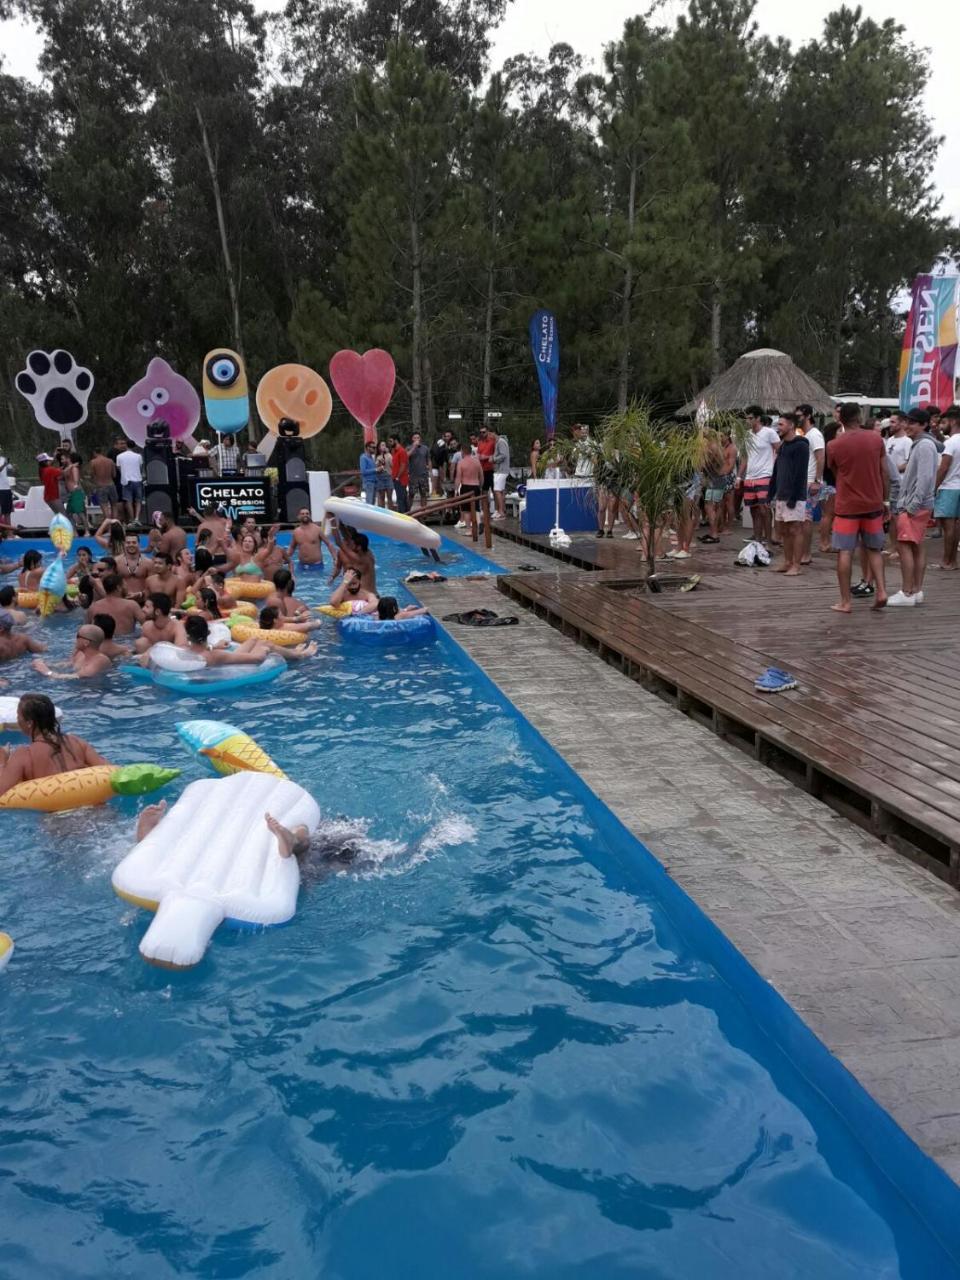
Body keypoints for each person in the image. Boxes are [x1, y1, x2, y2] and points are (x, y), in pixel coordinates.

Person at [826, 403, 888, 613]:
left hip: (847, 507)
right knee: (874, 549)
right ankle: (881, 591)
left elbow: (835, 473)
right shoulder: (876, 439)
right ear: (860, 418)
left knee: (845, 551)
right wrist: (885, 500)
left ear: (840, 420)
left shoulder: (834, 445)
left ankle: (846, 602)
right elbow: (883, 471)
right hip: (873, 503)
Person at [0, 695, 108, 796]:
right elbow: (108, 771)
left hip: (57, 816)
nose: (18, 720)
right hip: (98, 812)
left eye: (18, 716)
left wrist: (2, 761)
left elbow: (1, 791)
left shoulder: (24, 754)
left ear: (30, 723)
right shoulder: (77, 742)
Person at [889, 409, 938, 606]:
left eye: (913, 423)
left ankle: (907, 592)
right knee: (916, 545)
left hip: (915, 505)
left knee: (905, 545)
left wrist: (912, 505)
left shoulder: (924, 445)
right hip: (918, 503)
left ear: (924, 425)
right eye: (906, 422)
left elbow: (925, 478)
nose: (907, 426)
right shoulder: (922, 444)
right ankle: (916, 590)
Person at [180, 613, 316, 664]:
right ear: (208, 632)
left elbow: (201, 650)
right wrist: (264, 650)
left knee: (254, 638)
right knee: (265, 644)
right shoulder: (215, 655)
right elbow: (256, 659)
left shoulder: (184, 650)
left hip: (218, 661)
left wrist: (213, 646)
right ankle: (300, 655)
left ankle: (296, 653)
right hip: (225, 667)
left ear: (187, 635)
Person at [770, 414, 810, 576]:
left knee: (796, 529)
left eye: (781, 424)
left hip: (795, 495)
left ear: (791, 425)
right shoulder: (783, 446)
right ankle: (787, 561)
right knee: (784, 530)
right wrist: (771, 492)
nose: (778, 428)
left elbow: (801, 473)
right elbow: (777, 470)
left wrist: (793, 497)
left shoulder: (801, 446)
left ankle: (796, 564)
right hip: (781, 494)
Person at [736, 407, 780, 544]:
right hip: (750, 477)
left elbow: (779, 450)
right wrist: (739, 477)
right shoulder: (747, 435)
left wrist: (776, 470)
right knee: (753, 509)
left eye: (750, 418)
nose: (747, 421)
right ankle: (757, 537)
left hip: (765, 475)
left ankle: (768, 538)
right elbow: (744, 457)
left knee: (764, 508)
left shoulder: (769, 433)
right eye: (746, 418)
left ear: (758, 418)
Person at [795, 405, 824, 566]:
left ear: (808, 416)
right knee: (802, 520)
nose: (797, 419)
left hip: (810, 482)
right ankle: (802, 552)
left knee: (807, 520)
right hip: (803, 481)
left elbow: (821, 458)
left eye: (799, 416)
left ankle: (806, 554)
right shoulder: (805, 435)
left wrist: (817, 481)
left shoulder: (815, 435)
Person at [33, 623, 114, 680]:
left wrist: (47, 672)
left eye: (78, 636)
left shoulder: (100, 661)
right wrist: (45, 665)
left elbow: (76, 677)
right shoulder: (80, 653)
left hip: (91, 693)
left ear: (86, 642)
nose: (75, 639)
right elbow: (68, 665)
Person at [934, 406, 960, 571]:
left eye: (944, 422)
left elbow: (943, 468)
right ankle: (953, 561)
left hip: (949, 487)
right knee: (956, 526)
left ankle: (946, 561)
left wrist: (934, 487)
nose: (942, 426)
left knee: (948, 526)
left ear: (953, 421)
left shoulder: (951, 442)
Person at [454, 442, 484, 530]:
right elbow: (481, 476)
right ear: (471, 452)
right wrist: (480, 487)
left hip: (466, 487)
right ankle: (479, 523)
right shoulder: (477, 462)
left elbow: (458, 478)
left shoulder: (461, 463)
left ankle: (469, 530)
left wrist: (456, 490)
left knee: (466, 510)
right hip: (475, 486)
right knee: (476, 507)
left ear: (462, 452)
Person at [116, 442, 144, 525]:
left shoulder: (119, 456)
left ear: (126, 446)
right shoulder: (138, 456)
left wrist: (124, 474)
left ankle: (131, 519)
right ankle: (137, 518)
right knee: (138, 501)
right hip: (137, 479)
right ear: (134, 446)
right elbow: (140, 467)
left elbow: (119, 468)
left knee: (128, 501)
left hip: (126, 480)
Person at [88, 446, 119, 520]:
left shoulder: (93, 462)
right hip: (111, 485)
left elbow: (92, 475)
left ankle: (108, 526)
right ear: (101, 452)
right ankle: (115, 523)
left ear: (94, 453)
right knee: (114, 505)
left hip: (101, 486)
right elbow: (114, 475)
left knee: (104, 506)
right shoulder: (110, 461)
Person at [407, 432, 431, 509]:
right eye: (415, 438)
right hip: (413, 475)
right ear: (412, 439)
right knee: (411, 494)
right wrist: (413, 447)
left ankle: (423, 513)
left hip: (423, 475)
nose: (416, 439)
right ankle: (408, 512)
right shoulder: (408, 448)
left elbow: (428, 460)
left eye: (418, 437)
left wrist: (429, 471)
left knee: (423, 494)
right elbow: (406, 456)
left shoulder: (425, 448)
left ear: (420, 439)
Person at [492, 429, 510, 520]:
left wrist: (493, 459)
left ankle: (501, 512)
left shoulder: (501, 442)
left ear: (494, 433)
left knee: (497, 490)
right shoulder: (498, 442)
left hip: (501, 470)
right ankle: (501, 510)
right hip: (500, 470)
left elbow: (503, 455)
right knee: (501, 490)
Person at [476, 425, 496, 505]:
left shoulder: (492, 441)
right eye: (480, 432)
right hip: (483, 469)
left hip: (491, 469)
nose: (482, 434)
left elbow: (496, 454)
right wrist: (478, 457)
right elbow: (478, 454)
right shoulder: (480, 442)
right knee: (484, 490)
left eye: (484, 432)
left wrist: (486, 457)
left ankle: (497, 509)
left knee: (495, 489)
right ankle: (485, 509)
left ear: (488, 432)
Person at [389, 435, 409, 512]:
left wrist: (397, 477)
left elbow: (403, 465)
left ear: (396, 441)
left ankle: (403, 515)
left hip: (400, 479)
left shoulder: (402, 451)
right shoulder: (394, 451)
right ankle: (406, 514)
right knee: (401, 497)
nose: (389, 443)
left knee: (401, 498)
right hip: (396, 478)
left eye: (391, 441)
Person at [375, 441, 393, 507]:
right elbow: (375, 468)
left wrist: (388, 454)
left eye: (385, 445)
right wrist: (379, 462)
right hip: (380, 477)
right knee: (382, 499)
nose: (384, 446)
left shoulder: (389, 455)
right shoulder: (377, 456)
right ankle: (383, 514)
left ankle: (391, 515)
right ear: (379, 447)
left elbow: (392, 465)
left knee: (390, 498)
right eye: (382, 445)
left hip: (388, 477)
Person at [359, 440, 377, 504]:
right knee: (369, 503)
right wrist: (376, 469)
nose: (375, 449)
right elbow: (363, 471)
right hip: (368, 483)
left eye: (375, 448)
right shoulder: (363, 457)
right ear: (367, 448)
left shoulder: (371, 458)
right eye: (373, 447)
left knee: (373, 503)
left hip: (374, 482)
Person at [0, 449, 14, 526]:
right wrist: (5, 464)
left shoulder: (3, 459)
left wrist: (12, 467)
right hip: (0, 489)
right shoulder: (4, 461)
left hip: (6, 489)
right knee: (0, 512)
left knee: (7, 512)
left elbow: (11, 470)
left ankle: (10, 533)